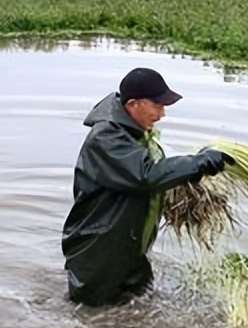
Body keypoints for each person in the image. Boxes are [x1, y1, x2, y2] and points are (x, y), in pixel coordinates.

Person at [60, 67, 232, 306]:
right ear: (133, 104)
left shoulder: (134, 133)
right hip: (100, 254)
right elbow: (146, 175)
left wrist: (192, 168)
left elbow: (152, 172)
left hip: (128, 249)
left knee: (136, 309)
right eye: (157, 105)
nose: (162, 114)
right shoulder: (106, 137)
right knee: (92, 320)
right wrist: (198, 163)